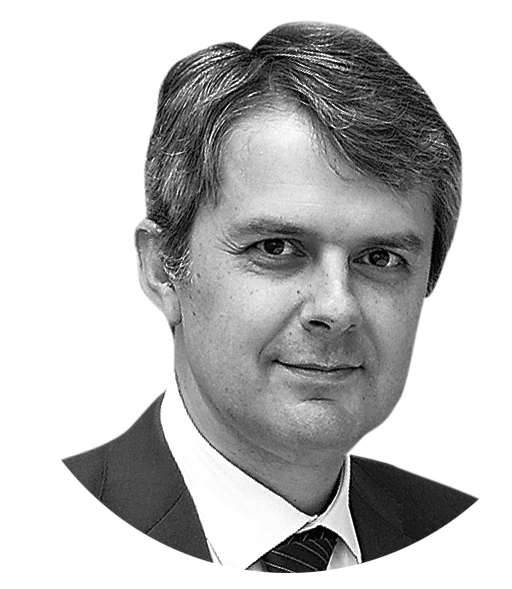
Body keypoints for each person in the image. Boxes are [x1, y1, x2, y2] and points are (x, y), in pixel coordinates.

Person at [64, 21, 477, 572]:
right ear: (163, 270)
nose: (337, 308)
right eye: (277, 248)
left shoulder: (481, 542)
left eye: (380, 258)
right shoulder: (41, 531)